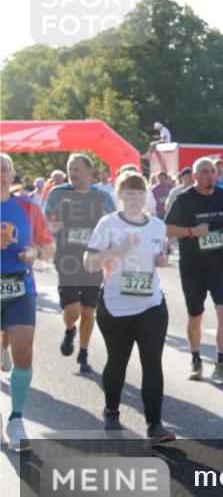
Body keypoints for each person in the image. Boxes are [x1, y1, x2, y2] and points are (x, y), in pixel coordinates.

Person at [84, 172, 174, 443]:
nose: (134, 198)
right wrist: (119, 249)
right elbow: (90, 263)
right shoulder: (108, 224)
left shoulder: (157, 225)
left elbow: (162, 253)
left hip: (151, 304)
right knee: (117, 362)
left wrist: (162, 259)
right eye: (129, 193)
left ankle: (154, 425)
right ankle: (112, 411)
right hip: (115, 306)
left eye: (139, 193)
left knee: (152, 363)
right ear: (119, 196)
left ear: (146, 196)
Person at [164, 157, 223, 383]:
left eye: (213, 172)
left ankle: (221, 364)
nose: (210, 176)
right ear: (195, 176)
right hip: (193, 267)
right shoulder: (184, 199)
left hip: (219, 265)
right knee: (195, 317)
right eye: (204, 172)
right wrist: (191, 231)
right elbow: (166, 229)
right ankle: (196, 359)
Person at [0, 153, 55, 452]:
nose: (1, 174)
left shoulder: (28, 207)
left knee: (23, 351)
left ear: (12, 175)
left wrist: (36, 254)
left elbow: (49, 248)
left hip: (20, 284)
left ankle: (16, 419)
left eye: (5, 170)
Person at [43, 153, 117, 373]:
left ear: (88, 172)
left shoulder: (102, 196)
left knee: (88, 310)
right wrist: (52, 227)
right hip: (67, 260)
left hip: (93, 260)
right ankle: (69, 329)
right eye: (69, 169)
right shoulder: (58, 193)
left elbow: (116, 223)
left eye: (76, 169)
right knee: (73, 309)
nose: (72, 173)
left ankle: (83, 353)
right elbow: (43, 219)